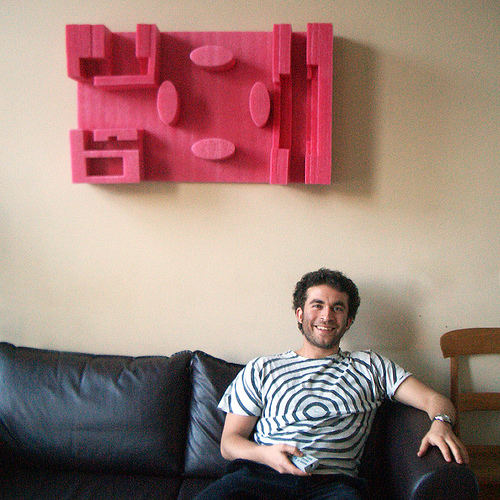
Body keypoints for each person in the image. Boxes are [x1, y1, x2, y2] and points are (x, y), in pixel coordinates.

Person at [195, 269, 469, 500]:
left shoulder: (371, 366)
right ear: (300, 314)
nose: (327, 316)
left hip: (333, 486)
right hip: (259, 477)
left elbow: (435, 401)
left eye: (337, 308)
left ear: (348, 321)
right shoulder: (262, 368)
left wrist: (441, 424)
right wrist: (265, 455)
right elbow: (229, 444)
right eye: (317, 305)